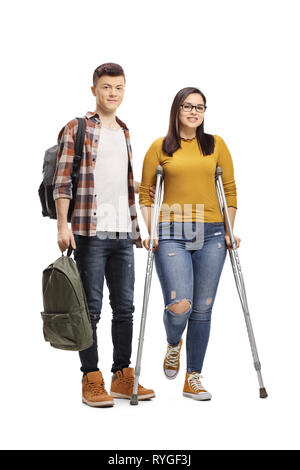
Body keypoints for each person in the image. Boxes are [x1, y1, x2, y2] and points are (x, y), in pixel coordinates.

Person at [53, 62, 155, 407]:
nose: (113, 94)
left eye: (119, 88)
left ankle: (122, 376)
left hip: (123, 233)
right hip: (90, 232)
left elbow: (119, 183)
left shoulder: (125, 131)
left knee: (124, 308)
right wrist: (62, 224)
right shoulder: (77, 128)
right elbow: (62, 180)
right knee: (90, 310)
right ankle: (91, 378)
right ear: (94, 89)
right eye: (107, 87)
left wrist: (139, 220)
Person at [139, 87, 240, 401]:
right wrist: (150, 229)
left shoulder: (216, 145)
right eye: (188, 106)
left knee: (202, 310)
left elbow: (230, 191)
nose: (194, 112)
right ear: (177, 110)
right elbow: (146, 194)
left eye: (200, 107)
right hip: (171, 231)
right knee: (180, 304)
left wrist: (228, 230)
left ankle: (193, 377)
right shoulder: (160, 147)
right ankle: (173, 343)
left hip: (211, 234)